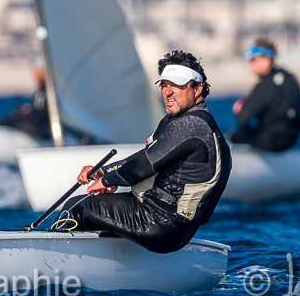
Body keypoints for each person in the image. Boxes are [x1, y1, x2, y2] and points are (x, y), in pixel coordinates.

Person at [54, 50, 230, 255]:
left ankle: (55, 260)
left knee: (79, 207)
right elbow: (145, 156)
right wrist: (104, 171)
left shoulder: (192, 125)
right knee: (96, 209)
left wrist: (108, 180)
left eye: (177, 85)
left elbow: (143, 165)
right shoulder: (178, 122)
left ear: (197, 89)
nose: (168, 92)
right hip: (168, 225)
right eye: (164, 85)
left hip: (160, 223)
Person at [229, 38, 300, 152]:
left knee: (236, 136)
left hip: (272, 141)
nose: (249, 63)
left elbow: (243, 119)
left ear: (267, 60)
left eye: (253, 59)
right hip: (292, 138)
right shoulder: (290, 77)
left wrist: (240, 109)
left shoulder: (265, 84)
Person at [0, 65, 52, 140]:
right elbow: (39, 108)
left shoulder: (47, 91)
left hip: (44, 128)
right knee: (4, 121)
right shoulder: (40, 90)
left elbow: (43, 113)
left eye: (38, 71)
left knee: (6, 122)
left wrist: (31, 114)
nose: (35, 73)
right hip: (37, 121)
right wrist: (28, 110)